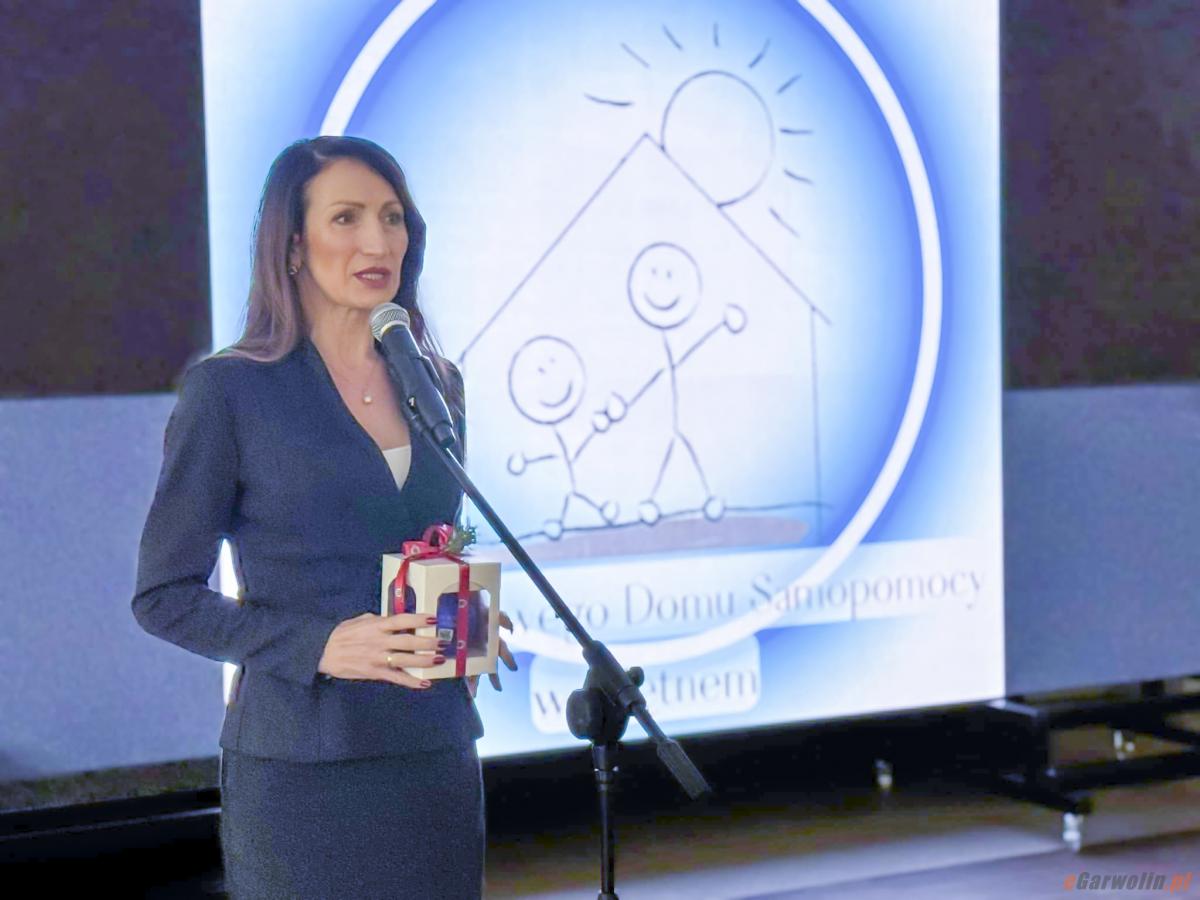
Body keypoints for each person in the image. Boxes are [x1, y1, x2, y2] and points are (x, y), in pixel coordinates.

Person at [132, 135, 515, 898]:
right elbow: (163, 597)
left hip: (433, 752)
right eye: (347, 218)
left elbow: (420, 542)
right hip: (302, 770)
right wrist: (323, 645)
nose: (378, 241)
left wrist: (466, 618)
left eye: (392, 217)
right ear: (293, 244)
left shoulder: (437, 384)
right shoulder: (231, 392)